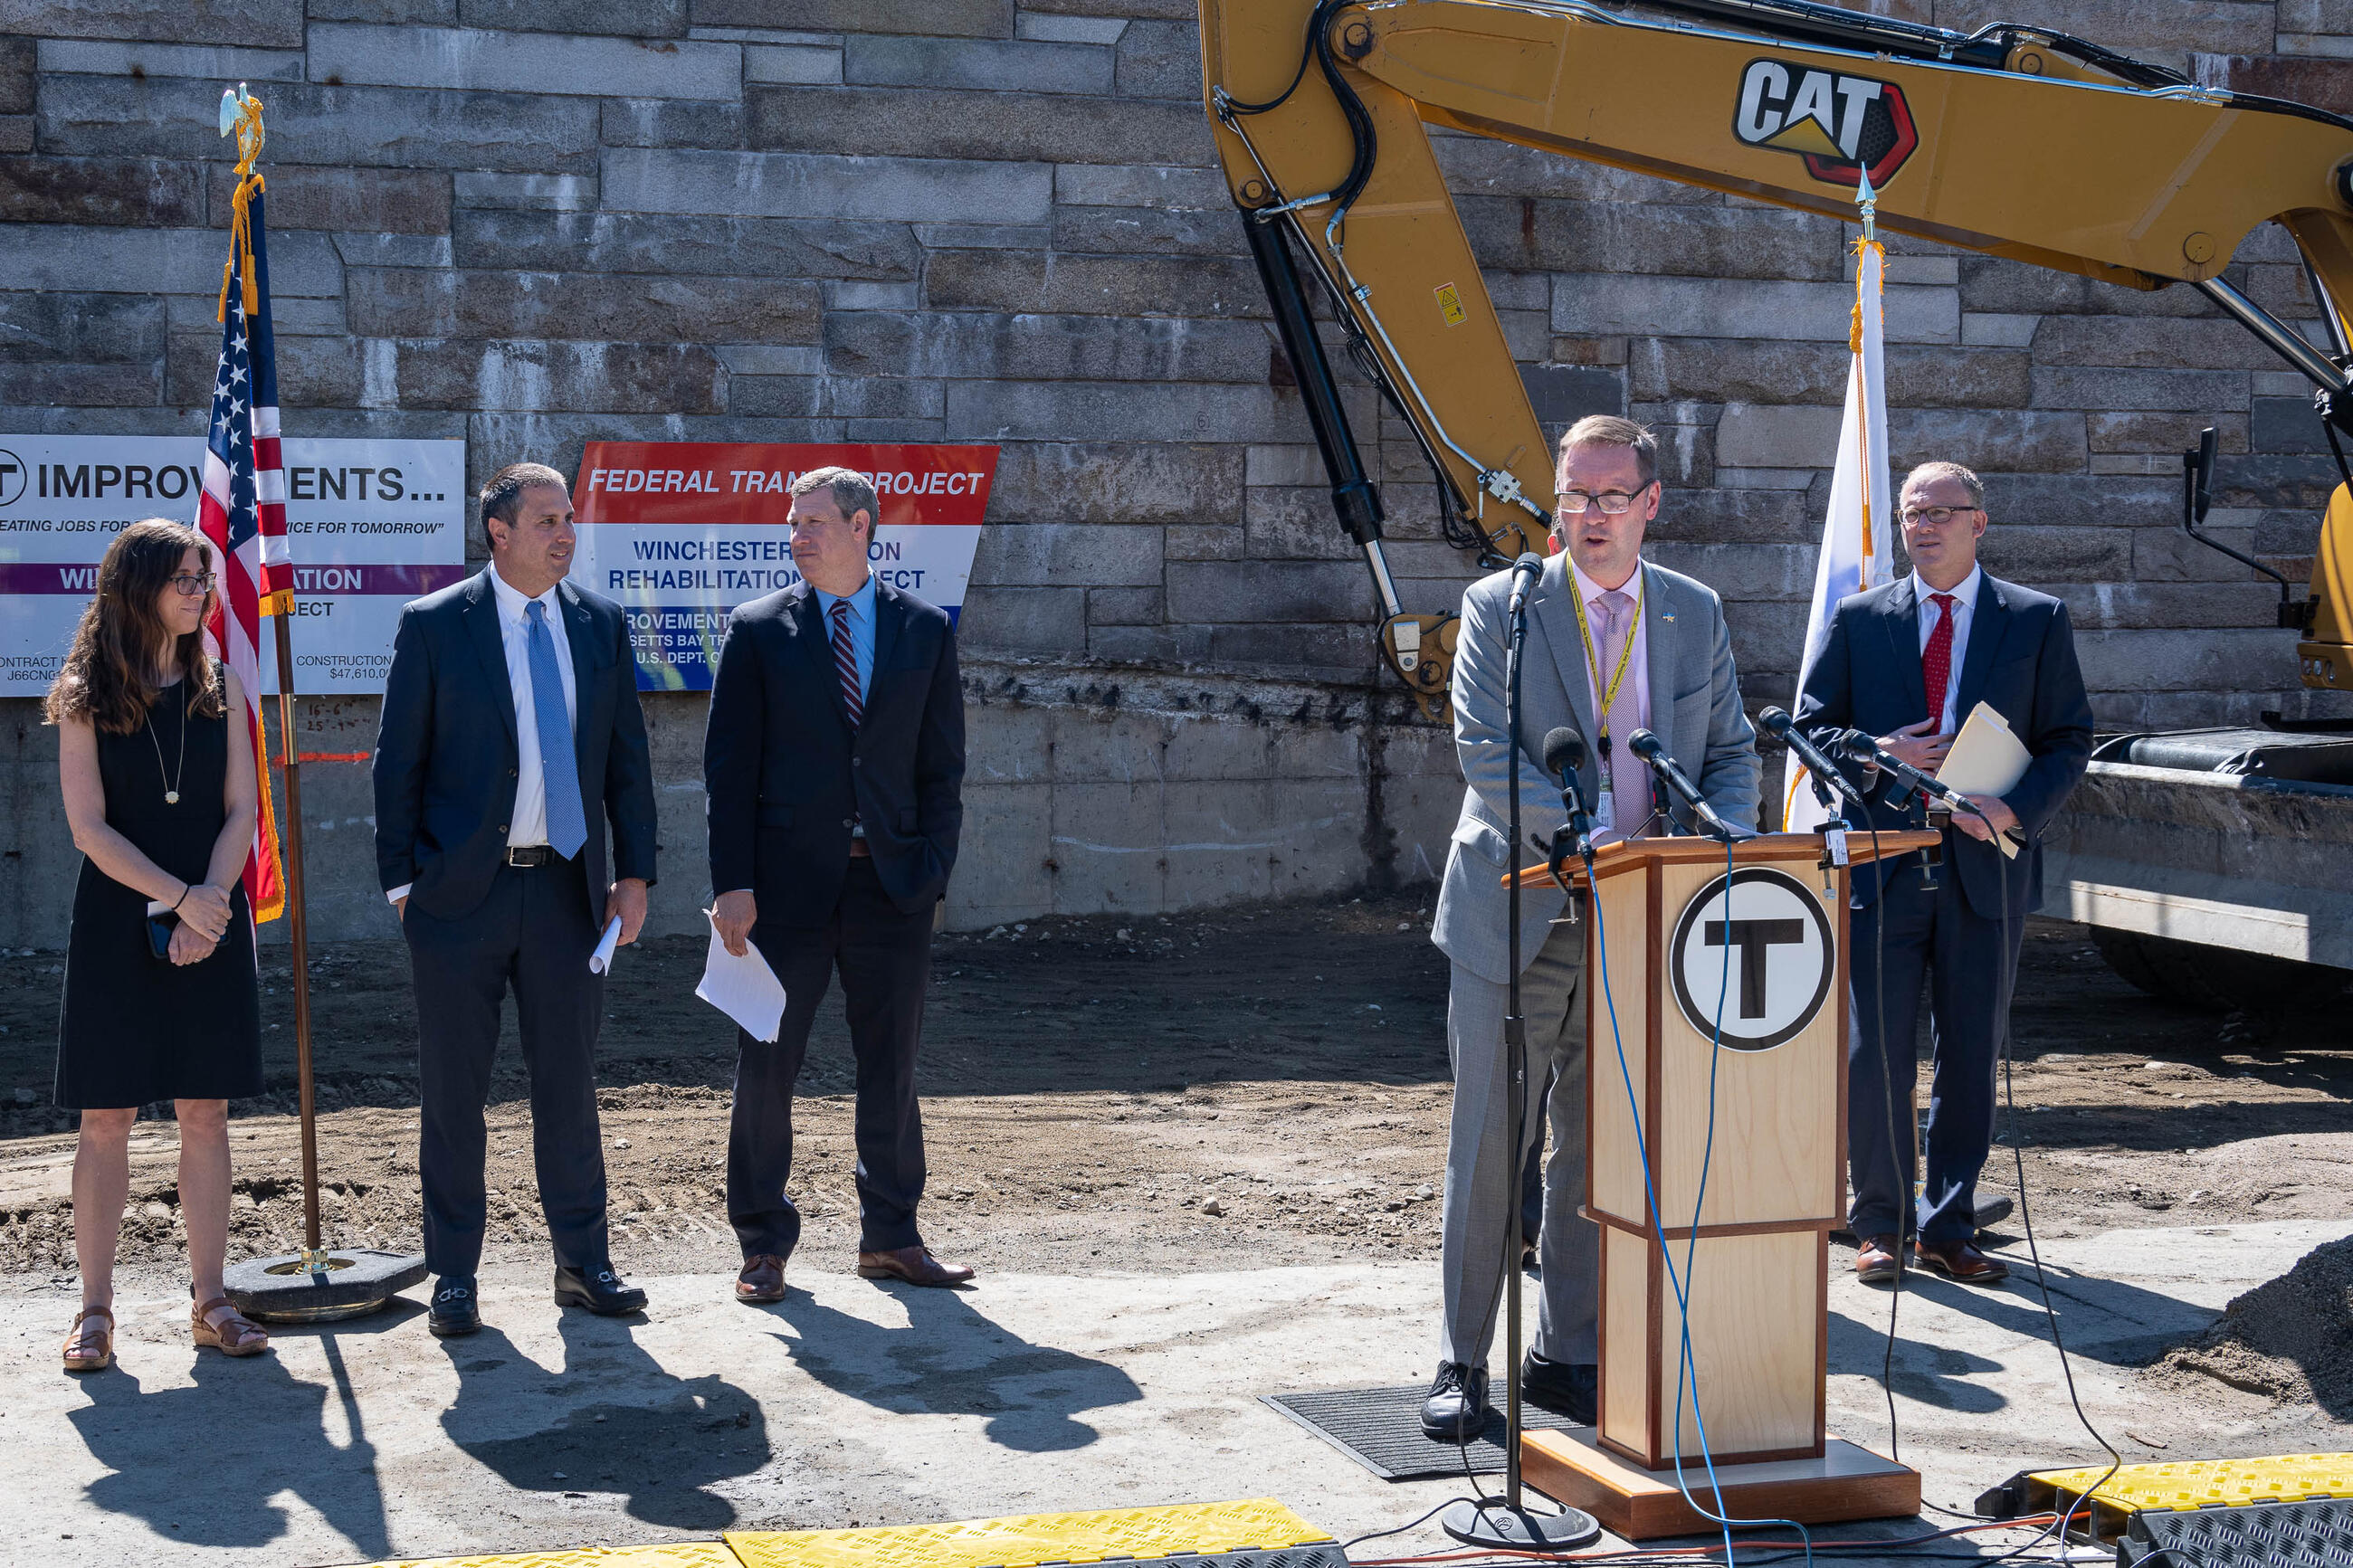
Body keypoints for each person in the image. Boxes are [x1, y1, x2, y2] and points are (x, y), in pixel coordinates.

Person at [1421, 415, 1761, 1440]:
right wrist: (1595, 834)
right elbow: (1484, 751)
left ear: (1651, 503)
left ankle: (1568, 1350)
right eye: (1572, 495)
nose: (1587, 515)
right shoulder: (1504, 605)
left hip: (1640, 918)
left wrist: (1722, 844)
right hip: (1515, 903)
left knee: (1597, 1145)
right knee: (1490, 1142)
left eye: (1610, 497)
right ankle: (1459, 1359)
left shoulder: (1693, 613)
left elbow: (1731, 751)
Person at [373, 461, 658, 1336]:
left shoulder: (601, 626)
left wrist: (635, 875)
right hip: (461, 899)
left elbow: (626, 764)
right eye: (546, 520)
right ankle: (455, 1273)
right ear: (497, 532)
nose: (564, 532)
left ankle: (583, 1261)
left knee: (569, 1086)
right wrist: (403, 884)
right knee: (454, 1093)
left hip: (571, 893)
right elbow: (399, 766)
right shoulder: (436, 625)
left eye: (568, 518)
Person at [1797, 461, 2092, 1288]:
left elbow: (2071, 737)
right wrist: (1877, 754)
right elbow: (1812, 729)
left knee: (1970, 1053)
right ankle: (1881, 1224)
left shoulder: (2035, 620)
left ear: (1979, 523)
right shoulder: (1861, 620)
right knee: (1874, 1053)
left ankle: (1949, 1225)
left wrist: (2013, 810)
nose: (1922, 526)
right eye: (1910, 513)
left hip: (1984, 870)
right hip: (1883, 868)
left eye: (1940, 512)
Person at [704, 466, 971, 1303]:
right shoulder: (758, 629)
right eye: (793, 522)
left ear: (862, 527)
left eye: (814, 521)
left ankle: (891, 1237)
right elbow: (728, 770)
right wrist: (733, 885)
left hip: (891, 889)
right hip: (783, 893)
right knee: (767, 1067)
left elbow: (942, 767)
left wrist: (930, 871)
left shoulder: (924, 628)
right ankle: (762, 1244)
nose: (798, 535)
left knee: (891, 1066)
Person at [50, 519, 269, 1371]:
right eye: (182, 577)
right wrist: (180, 899)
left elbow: (241, 813)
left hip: (210, 915)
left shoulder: (223, 690)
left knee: (204, 1111)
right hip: (118, 921)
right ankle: (95, 1313)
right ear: (136, 586)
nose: (198, 590)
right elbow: (87, 828)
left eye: (203, 577)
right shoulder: (83, 693)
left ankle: (211, 1302)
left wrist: (207, 909)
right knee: (106, 1118)